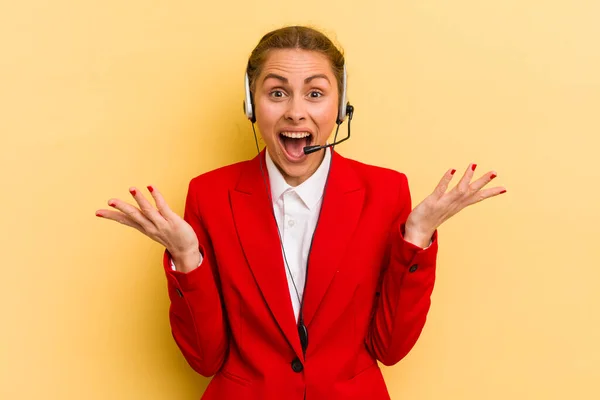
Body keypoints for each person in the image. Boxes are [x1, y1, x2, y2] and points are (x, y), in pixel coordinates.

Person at [95, 25, 506, 400]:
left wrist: (415, 238)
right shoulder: (209, 194)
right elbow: (205, 359)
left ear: (341, 104)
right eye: (277, 93)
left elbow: (391, 348)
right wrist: (187, 258)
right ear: (251, 103)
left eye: (314, 93)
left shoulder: (385, 191)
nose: (295, 111)